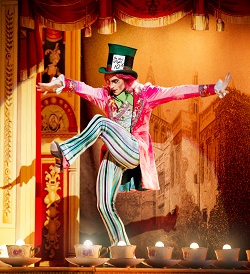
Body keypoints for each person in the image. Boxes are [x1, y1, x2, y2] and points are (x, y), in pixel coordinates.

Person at [37, 43, 231, 246]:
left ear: (126, 79)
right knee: (103, 204)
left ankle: (66, 154)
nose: (110, 86)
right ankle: (121, 247)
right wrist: (58, 84)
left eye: (114, 81)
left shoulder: (145, 94)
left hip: (133, 150)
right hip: (114, 154)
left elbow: (176, 92)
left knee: (100, 122)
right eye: (108, 81)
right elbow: (82, 88)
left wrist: (211, 88)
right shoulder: (106, 96)